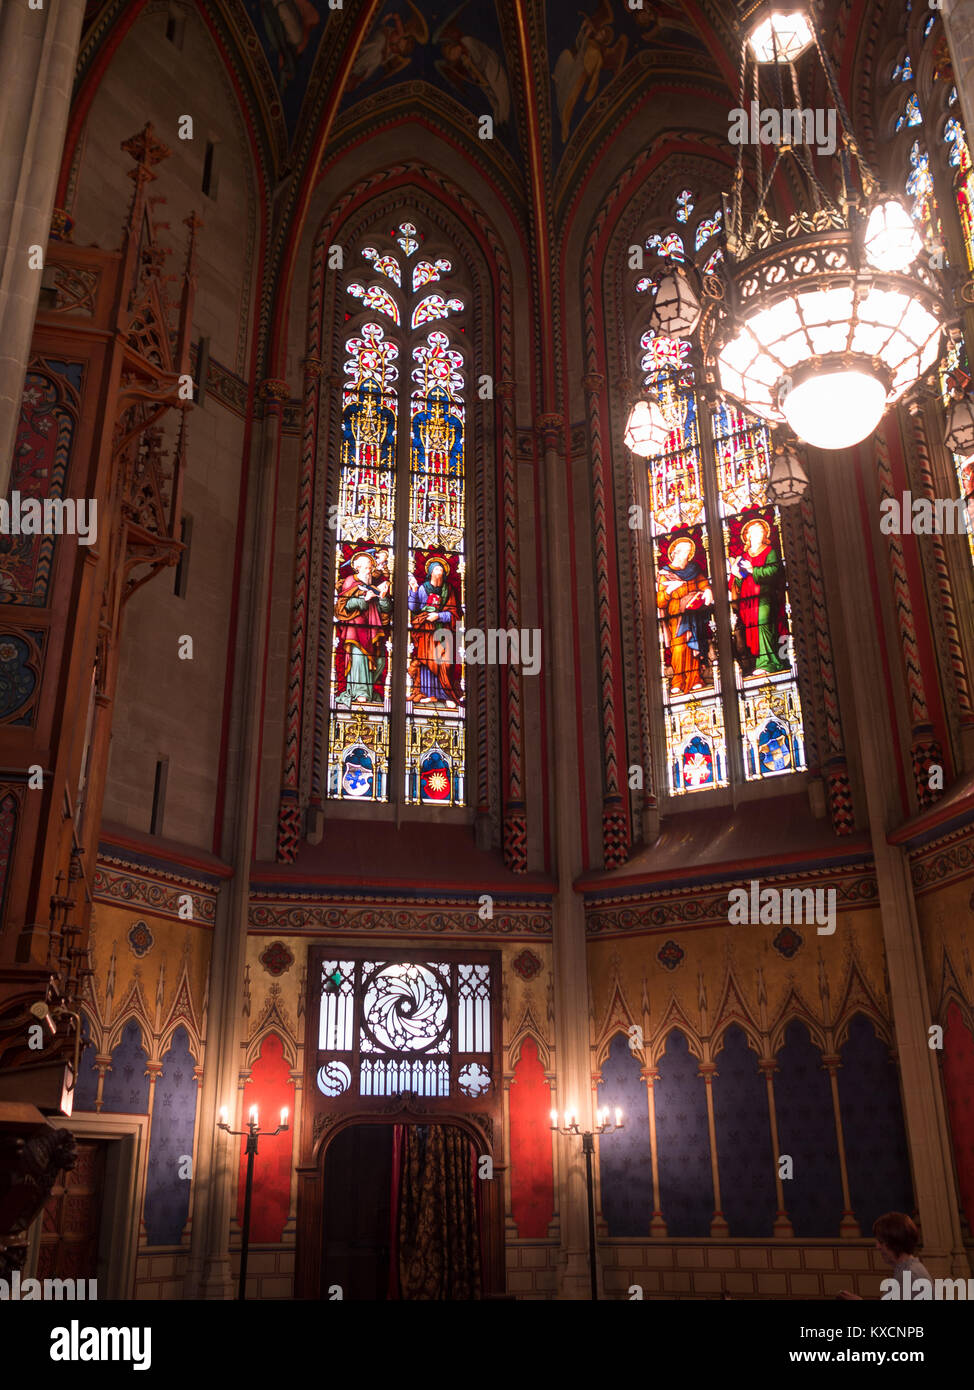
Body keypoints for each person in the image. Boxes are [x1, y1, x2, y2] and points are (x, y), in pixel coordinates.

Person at [728, 516, 790, 676]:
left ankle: (769, 663)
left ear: (765, 535)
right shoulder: (744, 556)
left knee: (764, 624)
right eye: (754, 532)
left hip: (765, 596)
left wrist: (752, 570)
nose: (758, 535)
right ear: (748, 536)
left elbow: (774, 571)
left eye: (761, 532)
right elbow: (737, 584)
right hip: (748, 601)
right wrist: (736, 575)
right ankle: (758, 661)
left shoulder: (770, 552)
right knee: (752, 631)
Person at [656, 535, 713, 694]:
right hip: (676, 616)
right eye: (684, 552)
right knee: (679, 648)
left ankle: (695, 678)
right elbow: (660, 602)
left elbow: (703, 583)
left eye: (689, 552)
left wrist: (707, 590)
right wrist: (669, 590)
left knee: (693, 645)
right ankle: (678, 681)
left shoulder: (694, 569)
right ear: (675, 553)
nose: (687, 556)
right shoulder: (665, 574)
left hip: (694, 612)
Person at [334, 551, 391, 706]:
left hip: (373, 628)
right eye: (366, 567)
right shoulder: (349, 582)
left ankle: (369, 692)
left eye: (371, 567)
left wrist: (383, 597)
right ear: (357, 568)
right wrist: (364, 600)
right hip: (356, 629)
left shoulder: (372, 587)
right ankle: (360, 693)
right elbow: (343, 606)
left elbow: (385, 610)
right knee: (359, 659)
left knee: (379, 661)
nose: (369, 570)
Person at [408, 557, 463, 706]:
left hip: (444, 631)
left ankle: (446, 694)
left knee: (445, 663)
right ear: (430, 572)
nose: (440, 572)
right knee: (427, 661)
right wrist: (413, 590)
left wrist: (439, 616)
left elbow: (455, 613)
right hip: (425, 630)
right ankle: (428, 693)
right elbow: (414, 609)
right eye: (437, 569)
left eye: (442, 570)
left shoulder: (449, 589)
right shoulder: (422, 588)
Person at [838, 1212, 932, 1299]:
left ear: (895, 1242)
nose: (877, 1246)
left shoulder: (909, 1276)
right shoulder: (908, 1269)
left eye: (881, 1242)